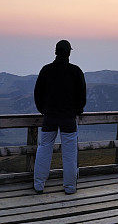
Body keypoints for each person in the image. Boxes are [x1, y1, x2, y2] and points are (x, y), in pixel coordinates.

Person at [32, 39, 87, 194]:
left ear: (55, 51)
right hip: (68, 118)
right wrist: (77, 110)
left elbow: (38, 94)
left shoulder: (46, 70)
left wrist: (43, 110)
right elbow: (82, 96)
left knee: (44, 150)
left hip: (49, 116)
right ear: (69, 52)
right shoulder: (75, 71)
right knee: (70, 154)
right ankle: (69, 187)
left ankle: (39, 185)